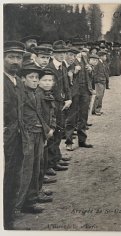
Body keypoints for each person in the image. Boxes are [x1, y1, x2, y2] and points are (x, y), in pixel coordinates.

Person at [16, 62, 51, 215]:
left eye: (37, 77)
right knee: (26, 169)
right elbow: (18, 116)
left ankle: (32, 198)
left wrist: (46, 130)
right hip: (27, 135)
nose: (35, 80)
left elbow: (39, 113)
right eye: (31, 77)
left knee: (37, 166)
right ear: (23, 79)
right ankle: (19, 205)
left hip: (38, 133)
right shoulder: (20, 93)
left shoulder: (35, 92)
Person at [3, 41, 26, 229]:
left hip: (16, 138)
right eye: (11, 57)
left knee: (13, 177)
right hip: (5, 138)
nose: (15, 61)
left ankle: (9, 216)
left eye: (19, 58)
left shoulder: (18, 82)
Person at [46, 40, 72, 172]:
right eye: (59, 53)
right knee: (54, 131)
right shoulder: (49, 68)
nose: (62, 55)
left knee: (60, 131)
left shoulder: (63, 66)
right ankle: (50, 162)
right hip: (53, 104)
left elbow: (66, 85)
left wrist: (69, 99)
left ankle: (56, 157)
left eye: (64, 52)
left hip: (62, 103)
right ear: (53, 53)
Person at [36, 68, 57, 197]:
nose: (48, 83)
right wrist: (47, 130)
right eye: (45, 80)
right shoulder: (38, 95)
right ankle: (36, 191)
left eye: (50, 80)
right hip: (41, 132)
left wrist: (52, 127)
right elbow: (39, 115)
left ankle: (39, 188)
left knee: (43, 160)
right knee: (38, 162)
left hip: (47, 131)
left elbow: (52, 114)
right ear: (39, 81)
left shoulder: (48, 94)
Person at [63, 47, 82, 151]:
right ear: (65, 54)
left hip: (73, 95)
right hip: (62, 97)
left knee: (71, 119)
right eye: (70, 55)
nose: (72, 57)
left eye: (74, 56)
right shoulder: (61, 66)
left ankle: (69, 141)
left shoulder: (75, 66)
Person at [92, 51, 108, 115]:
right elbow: (95, 73)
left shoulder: (102, 63)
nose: (105, 57)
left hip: (102, 81)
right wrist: (97, 81)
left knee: (100, 96)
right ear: (101, 57)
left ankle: (96, 109)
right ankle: (96, 110)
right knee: (99, 96)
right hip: (99, 82)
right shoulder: (98, 63)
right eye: (104, 56)